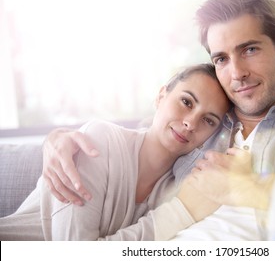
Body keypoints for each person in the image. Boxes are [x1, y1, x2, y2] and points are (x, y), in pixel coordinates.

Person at [40, 0, 275, 240]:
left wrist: (251, 190)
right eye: (221, 58)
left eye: (250, 49)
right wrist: (58, 139)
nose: (237, 73)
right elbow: (139, 142)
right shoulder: (202, 127)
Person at [0, 63, 231, 240]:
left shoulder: (175, 188)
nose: (191, 123)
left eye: (208, 121)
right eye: (186, 102)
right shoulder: (99, 141)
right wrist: (180, 213)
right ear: (161, 96)